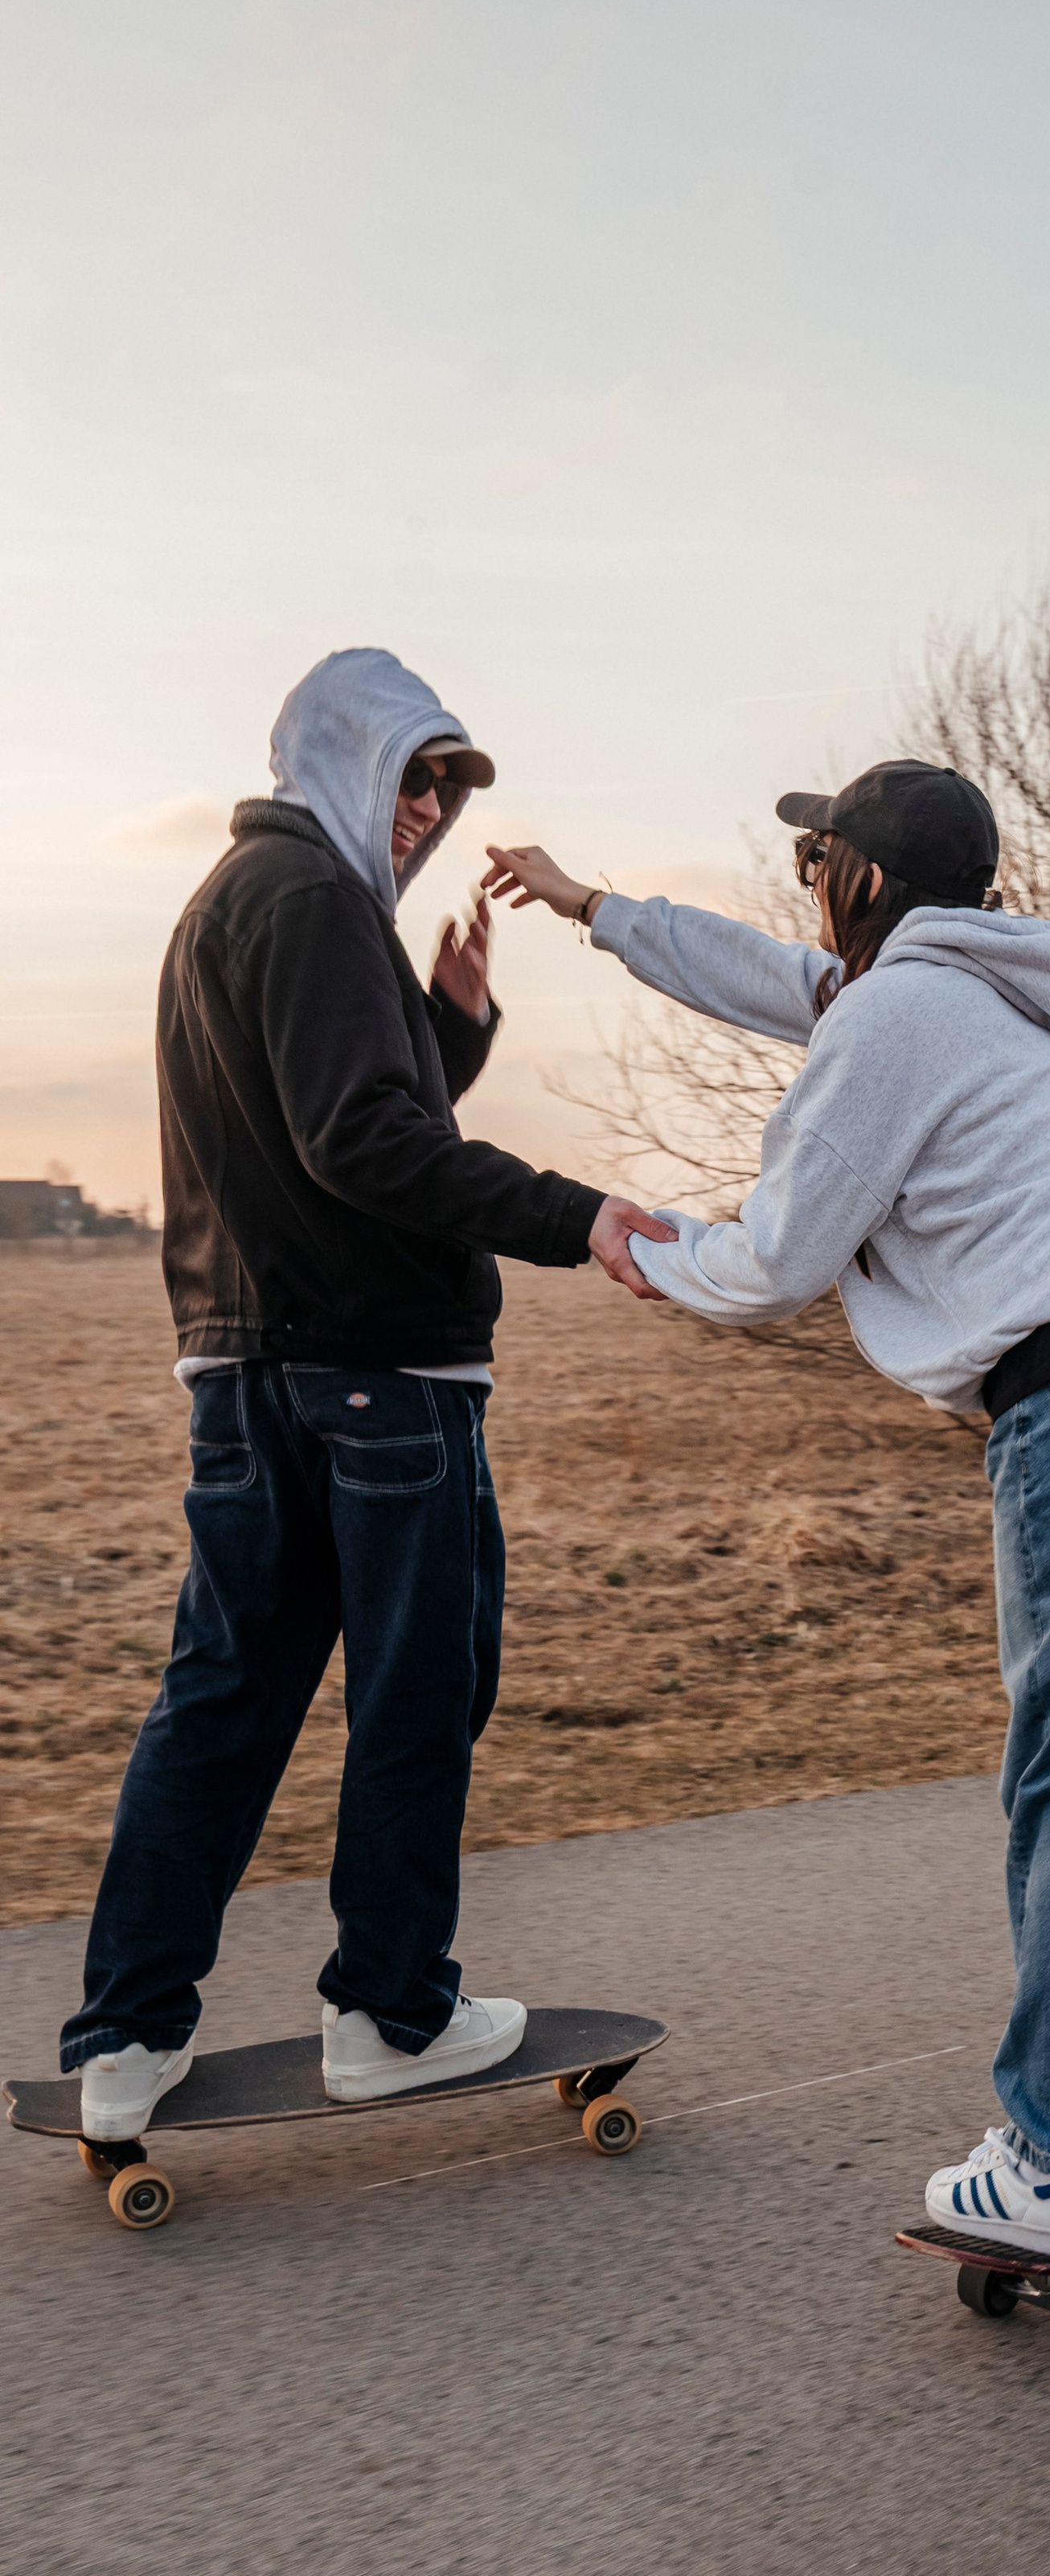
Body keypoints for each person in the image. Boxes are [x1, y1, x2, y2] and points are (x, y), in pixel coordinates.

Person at [482, 760, 1050, 2259]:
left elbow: (778, 1263)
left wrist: (645, 1251)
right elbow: (778, 980)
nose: (808, 880)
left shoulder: (893, 1017)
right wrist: (595, 908)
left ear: (863, 880)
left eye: (821, 859)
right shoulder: (976, 991)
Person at [63, 648, 678, 2143]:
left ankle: (126, 2037)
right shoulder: (318, 904)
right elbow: (363, 1149)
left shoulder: (232, 905)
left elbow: (326, 1135)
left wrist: (449, 1024)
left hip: (244, 1379)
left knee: (221, 1698)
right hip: (381, 1389)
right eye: (411, 774)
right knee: (419, 1691)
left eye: (449, 786)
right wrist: (576, 1216)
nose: (428, 811)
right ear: (338, 761)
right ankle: (393, 2014)